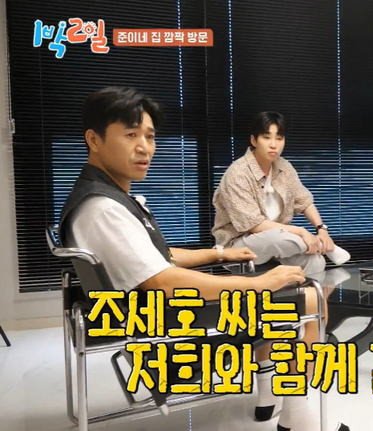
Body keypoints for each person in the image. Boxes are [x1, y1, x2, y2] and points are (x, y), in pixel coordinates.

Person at [60, 87, 323, 431]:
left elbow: (158, 257)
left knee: (283, 294)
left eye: (150, 136)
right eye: (130, 135)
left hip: (148, 310)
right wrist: (257, 284)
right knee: (308, 297)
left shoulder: (105, 197)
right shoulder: (103, 209)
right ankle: (299, 419)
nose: (144, 147)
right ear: (94, 140)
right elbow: (162, 281)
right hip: (166, 321)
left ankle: (271, 398)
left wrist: (219, 253)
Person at [212, 111, 350, 276]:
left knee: (315, 261)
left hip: (278, 238)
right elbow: (254, 225)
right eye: (266, 137)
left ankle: (310, 291)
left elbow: (304, 201)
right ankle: (323, 247)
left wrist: (322, 230)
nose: (273, 145)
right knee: (282, 238)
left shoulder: (284, 167)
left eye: (279, 138)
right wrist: (302, 232)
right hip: (238, 244)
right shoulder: (238, 173)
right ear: (254, 140)